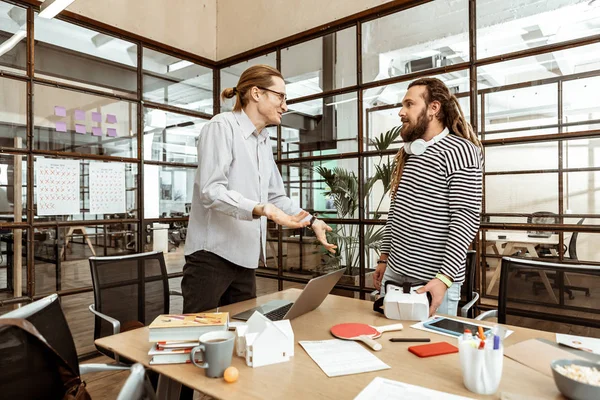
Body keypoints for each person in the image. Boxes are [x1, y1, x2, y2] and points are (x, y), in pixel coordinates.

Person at [182, 64, 336, 315]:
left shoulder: (263, 141)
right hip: (211, 257)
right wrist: (260, 208)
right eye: (280, 97)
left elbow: (276, 197)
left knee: (243, 334)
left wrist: (312, 220)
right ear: (256, 93)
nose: (285, 106)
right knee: (197, 337)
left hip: (245, 258)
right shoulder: (222, 127)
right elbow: (211, 190)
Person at [373, 77, 483, 317]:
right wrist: (384, 259)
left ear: (434, 108)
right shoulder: (409, 152)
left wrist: (444, 278)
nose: (401, 112)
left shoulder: (461, 151)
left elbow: (466, 217)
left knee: (432, 349)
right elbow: (396, 211)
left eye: (409, 104)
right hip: (394, 272)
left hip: (433, 279)